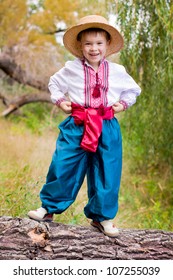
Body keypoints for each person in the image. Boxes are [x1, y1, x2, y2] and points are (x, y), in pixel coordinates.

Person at [28, 15, 141, 237]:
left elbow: (133, 90)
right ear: (80, 45)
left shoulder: (118, 72)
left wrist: (123, 103)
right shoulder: (71, 69)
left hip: (106, 125)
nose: (93, 48)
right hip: (77, 123)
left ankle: (102, 217)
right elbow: (55, 83)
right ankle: (48, 208)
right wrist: (60, 101)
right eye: (88, 43)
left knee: (107, 170)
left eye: (99, 43)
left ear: (107, 45)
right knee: (63, 164)